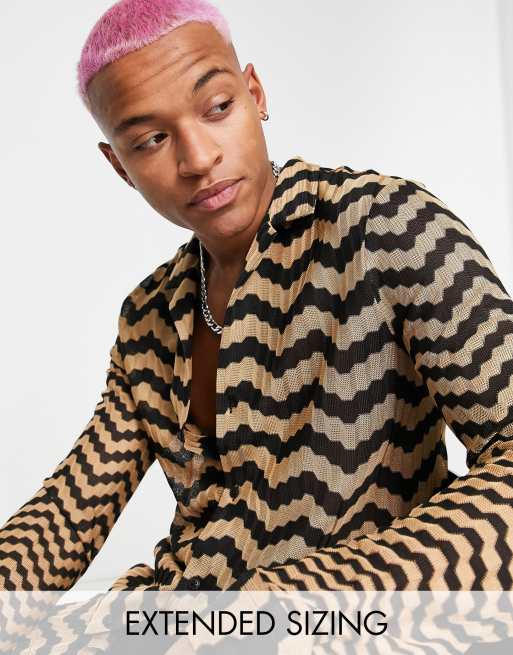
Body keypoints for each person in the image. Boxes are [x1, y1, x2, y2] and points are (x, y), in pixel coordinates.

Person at [1, 0, 513, 593]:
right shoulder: (149, 317)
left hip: (350, 622)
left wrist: (292, 598)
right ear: (120, 167)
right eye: (151, 140)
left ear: (255, 94)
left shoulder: (386, 224)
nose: (199, 159)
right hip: (173, 618)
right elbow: (66, 514)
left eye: (218, 107)